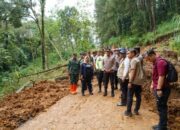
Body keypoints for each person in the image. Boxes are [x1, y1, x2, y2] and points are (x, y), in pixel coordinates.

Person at [145, 49, 170, 130]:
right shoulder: (156, 62)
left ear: (152, 55)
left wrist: (159, 89)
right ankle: (161, 124)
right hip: (159, 88)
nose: (148, 61)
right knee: (160, 107)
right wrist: (153, 84)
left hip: (163, 89)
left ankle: (162, 127)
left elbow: (161, 76)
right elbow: (155, 75)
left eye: (149, 58)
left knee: (162, 107)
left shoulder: (160, 63)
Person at [124, 48, 143, 116]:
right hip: (139, 81)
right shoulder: (138, 59)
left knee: (130, 96)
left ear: (133, 53)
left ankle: (128, 111)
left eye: (128, 53)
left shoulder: (133, 60)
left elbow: (133, 71)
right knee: (138, 96)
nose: (127, 54)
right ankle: (136, 110)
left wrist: (130, 82)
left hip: (134, 81)